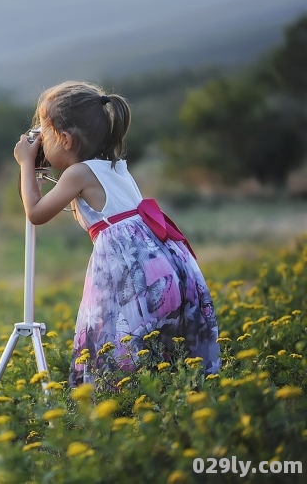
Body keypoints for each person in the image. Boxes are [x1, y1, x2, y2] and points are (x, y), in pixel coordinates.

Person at [13, 81, 220, 387]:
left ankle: (117, 408)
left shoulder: (78, 174)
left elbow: (36, 213)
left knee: (114, 343)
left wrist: (26, 163)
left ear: (66, 139)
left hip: (132, 276)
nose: (40, 141)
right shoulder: (115, 166)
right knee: (164, 354)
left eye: (45, 132)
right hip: (170, 268)